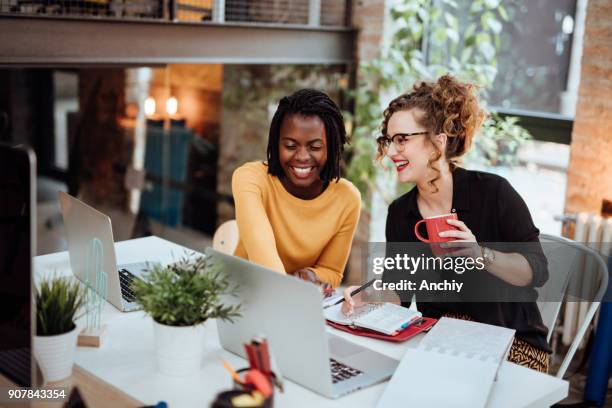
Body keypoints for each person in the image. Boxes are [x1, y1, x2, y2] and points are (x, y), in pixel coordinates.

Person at [342, 75, 551, 373]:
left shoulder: (493, 193)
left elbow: (536, 272)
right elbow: (401, 295)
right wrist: (369, 296)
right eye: (389, 141)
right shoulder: (401, 213)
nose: (390, 151)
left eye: (402, 139)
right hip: (444, 342)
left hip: (513, 344)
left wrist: (481, 255)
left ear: (437, 141)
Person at [231, 89, 361, 289]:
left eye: (315, 147)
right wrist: (289, 288)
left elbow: (332, 271)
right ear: (276, 144)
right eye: (290, 145)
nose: (301, 156)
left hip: (297, 300)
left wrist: (309, 276)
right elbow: (261, 246)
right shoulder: (250, 178)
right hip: (243, 293)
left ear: (332, 147)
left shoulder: (347, 198)